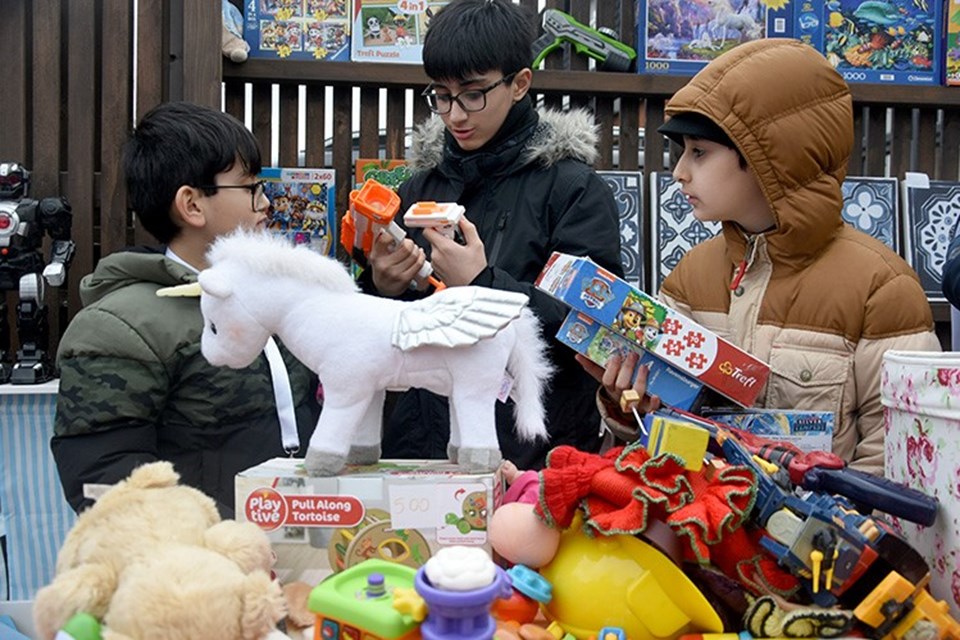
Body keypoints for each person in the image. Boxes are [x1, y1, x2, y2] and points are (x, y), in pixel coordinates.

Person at [582, 39, 941, 475]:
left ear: (771, 157)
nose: (679, 171)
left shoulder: (881, 286)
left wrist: (834, 531)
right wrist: (629, 405)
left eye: (699, 152)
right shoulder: (690, 277)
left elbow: (899, 458)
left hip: (821, 538)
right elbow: (658, 433)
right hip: (700, 531)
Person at [360, 0, 623, 469]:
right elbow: (379, 333)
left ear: (520, 83)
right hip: (423, 444)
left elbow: (590, 330)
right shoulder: (421, 187)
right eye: (441, 95)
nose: (455, 114)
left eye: (473, 93)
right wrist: (382, 284)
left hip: (535, 453)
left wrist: (483, 285)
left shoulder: (574, 189)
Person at [51, 101, 322, 517]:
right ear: (192, 205)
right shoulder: (121, 327)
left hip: (299, 539)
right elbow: (107, 477)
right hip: (206, 564)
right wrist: (216, 537)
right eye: (251, 188)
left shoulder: (276, 300)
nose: (267, 202)